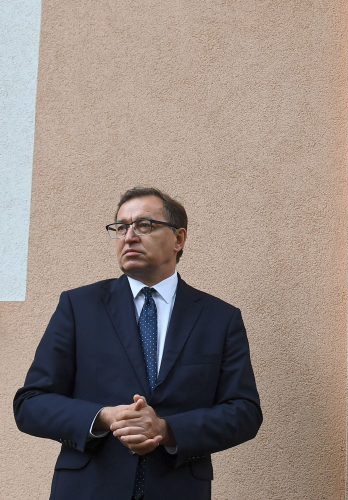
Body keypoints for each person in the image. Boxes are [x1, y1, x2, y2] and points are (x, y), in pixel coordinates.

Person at [14, 187, 262, 500]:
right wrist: (104, 417)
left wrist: (168, 429)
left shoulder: (220, 318)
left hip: (177, 490)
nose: (129, 236)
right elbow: (31, 403)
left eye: (144, 225)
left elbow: (244, 412)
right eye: (120, 227)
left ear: (179, 239)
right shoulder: (79, 307)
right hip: (87, 489)